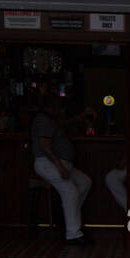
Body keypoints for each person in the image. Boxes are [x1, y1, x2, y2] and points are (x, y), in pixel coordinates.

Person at [30, 94, 93, 242]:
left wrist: (81, 117)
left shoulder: (52, 120)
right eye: (59, 105)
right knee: (70, 191)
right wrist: (59, 166)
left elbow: (63, 123)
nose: (61, 108)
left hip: (62, 163)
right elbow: (45, 146)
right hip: (47, 163)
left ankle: (69, 216)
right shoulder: (43, 120)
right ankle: (73, 234)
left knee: (85, 182)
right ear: (52, 105)